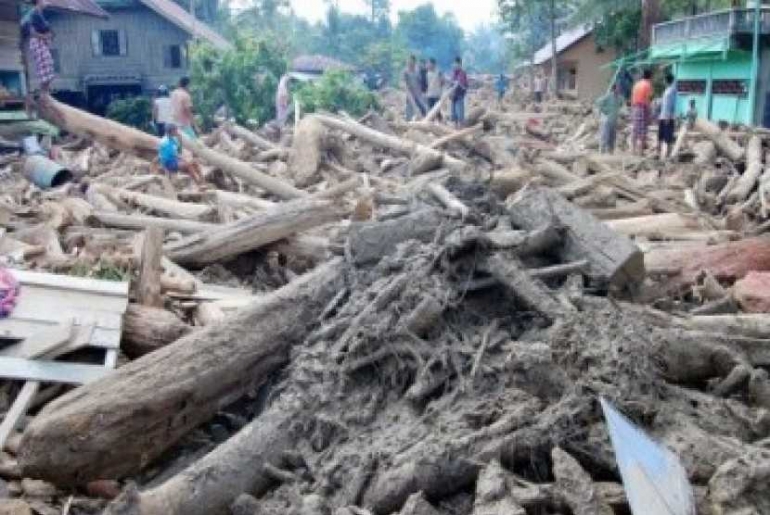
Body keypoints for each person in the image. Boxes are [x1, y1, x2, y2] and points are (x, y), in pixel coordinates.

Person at [22, 0, 55, 93]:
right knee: (45, 69)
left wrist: (48, 37)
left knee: (48, 67)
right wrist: (45, 37)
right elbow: (32, 32)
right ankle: (44, 95)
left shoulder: (39, 14)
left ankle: (45, 94)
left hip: (41, 42)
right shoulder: (34, 13)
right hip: (38, 42)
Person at [595, 83, 624, 154]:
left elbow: (621, 105)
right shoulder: (608, 96)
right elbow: (598, 102)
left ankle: (610, 152)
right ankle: (602, 152)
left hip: (614, 120)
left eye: (620, 88)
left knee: (612, 137)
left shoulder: (620, 98)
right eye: (618, 88)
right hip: (606, 119)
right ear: (614, 89)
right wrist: (605, 110)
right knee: (605, 136)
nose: (619, 89)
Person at [631, 69, 654, 155]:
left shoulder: (637, 84)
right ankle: (640, 151)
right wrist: (649, 113)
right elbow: (648, 99)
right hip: (642, 108)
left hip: (635, 108)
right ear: (650, 77)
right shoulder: (647, 85)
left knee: (635, 129)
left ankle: (633, 150)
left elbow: (632, 97)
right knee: (643, 130)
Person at [658, 72, 678, 159]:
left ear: (667, 80)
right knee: (661, 136)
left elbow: (671, 105)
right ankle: (660, 154)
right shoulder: (667, 90)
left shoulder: (672, 91)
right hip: (663, 116)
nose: (663, 81)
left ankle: (668, 155)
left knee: (668, 137)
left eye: (664, 80)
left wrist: (668, 116)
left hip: (668, 117)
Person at [403, 55, 426, 121]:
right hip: (410, 95)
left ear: (414, 62)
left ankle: (424, 121)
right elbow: (403, 83)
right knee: (409, 110)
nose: (409, 63)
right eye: (408, 61)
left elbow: (421, 82)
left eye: (411, 61)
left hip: (418, 94)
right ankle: (409, 123)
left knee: (423, 109)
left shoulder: (418, 71)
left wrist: (423, 91)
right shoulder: (405, 72)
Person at [450, 57, 469, 127]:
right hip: (453, 96)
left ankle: (461, 128)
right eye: (453, 64)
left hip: (459, 96)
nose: (454, 65)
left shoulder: (462, 73)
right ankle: (455, 128)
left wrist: (457, 84)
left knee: (460, 113)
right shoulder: (453, 73)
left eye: (455, 64)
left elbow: (462, 85)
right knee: (453, 114)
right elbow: (451, 84)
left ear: (459, 64)